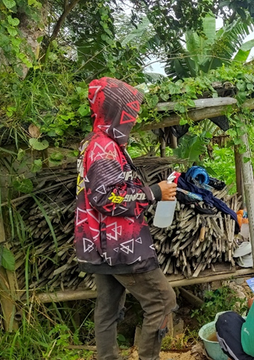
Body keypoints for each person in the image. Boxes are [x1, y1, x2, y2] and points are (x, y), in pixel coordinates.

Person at [74, 77, 177, 360]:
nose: (132, 119)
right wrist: (154, 192)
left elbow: (107, 192)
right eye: (130, 113)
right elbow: (107, 198)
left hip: (102, 244)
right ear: (116, 112)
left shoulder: (98, 143)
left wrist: (147, 191)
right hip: (119, 244)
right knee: (163, 301)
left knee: (108, 310)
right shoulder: (104, 147)